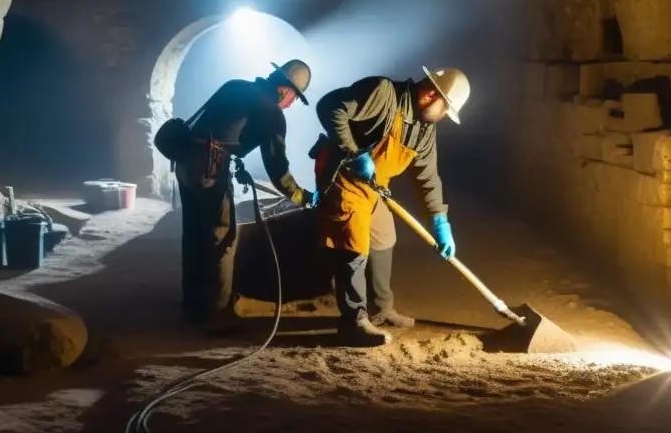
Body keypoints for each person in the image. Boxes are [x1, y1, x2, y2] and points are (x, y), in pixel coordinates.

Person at [311, 66, 470, 346]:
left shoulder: (424, 129)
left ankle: (380, 308)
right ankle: (353, 321)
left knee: (385, 237)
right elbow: (329, 107)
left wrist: (440, 221)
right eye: (446, 109)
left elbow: (428, 177)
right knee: (354, 245)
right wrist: (355, 152)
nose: (445, 116)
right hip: (346, 177)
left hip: (374, 187)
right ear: (432, 94)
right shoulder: (383, 93)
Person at [170, 60, 315, 334]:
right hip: (210, 168)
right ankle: (217, 313)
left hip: (185, 163)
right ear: (284, 89)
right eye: (295, 97)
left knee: (194, 235)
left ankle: (193, 307)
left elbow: (212, 126)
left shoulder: (236, 85)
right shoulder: (271, 112)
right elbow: (277, 166)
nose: (292, 103)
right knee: (223, 238)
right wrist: (300, 195)